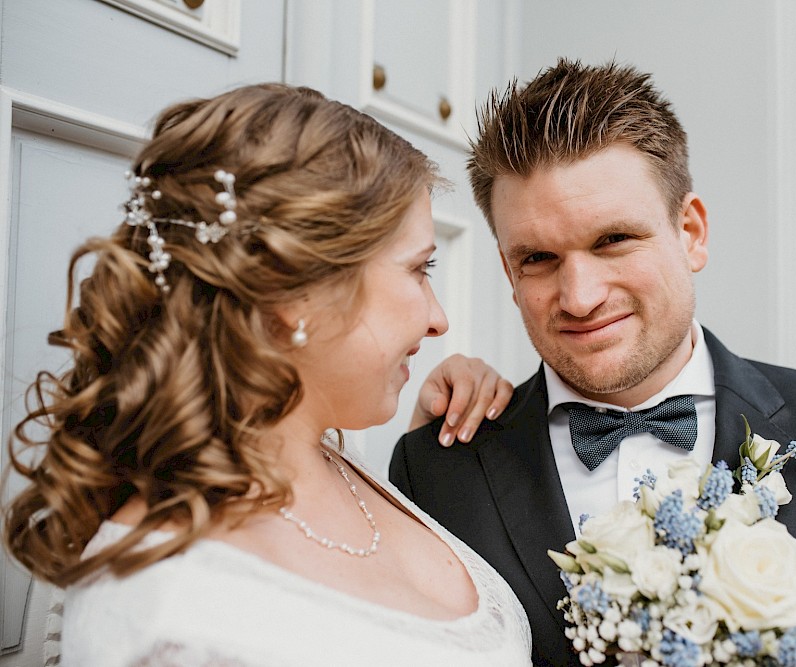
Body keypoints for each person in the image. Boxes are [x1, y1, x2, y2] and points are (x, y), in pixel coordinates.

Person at [390, 60, 796, 666]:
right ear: (510, 273)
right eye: (538, 257)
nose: (580, 296)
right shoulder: (438, 470)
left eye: (613, 240)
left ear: (690, 232)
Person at [2, 83, 530, 666]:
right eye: (418, 269)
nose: (438, 320)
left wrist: (432, 448)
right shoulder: (159, 607)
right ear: (296, 293)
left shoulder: (335, 458)